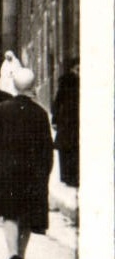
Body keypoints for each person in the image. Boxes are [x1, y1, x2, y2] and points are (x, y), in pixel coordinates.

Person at [0, 65, 54, 259]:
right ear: (33, 86)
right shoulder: (40, 113)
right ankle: (21, 256)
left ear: (14, 86)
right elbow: (46, 147)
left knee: (9, 213)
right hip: (32, 171)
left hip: (6, 169)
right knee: (26, 214)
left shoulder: (1, 109)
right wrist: (45, 172)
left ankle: (12, 255)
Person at [51, 60, 80, 188]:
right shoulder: (66, 81)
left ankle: (74, 176)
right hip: (67, 119)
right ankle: (66, 176)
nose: (79, 71)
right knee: (66, 148)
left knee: (75, 148)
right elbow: (57, 101)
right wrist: (55, 119)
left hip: (77, 118)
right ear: (72, 69)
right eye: (77, 68)